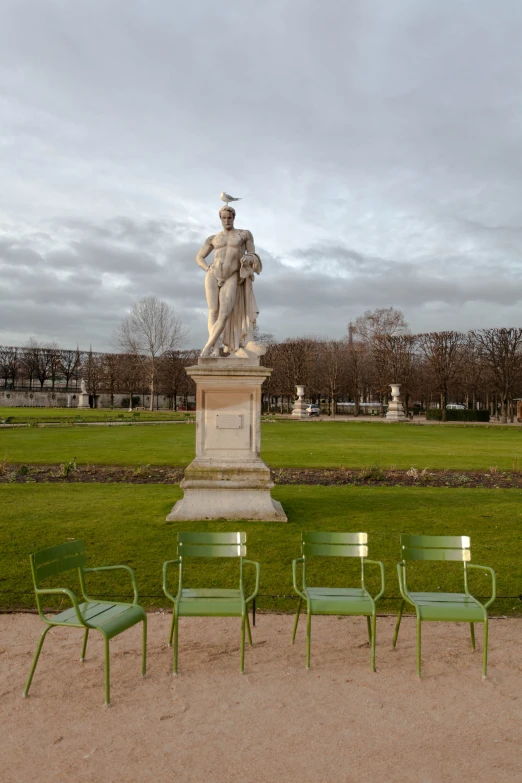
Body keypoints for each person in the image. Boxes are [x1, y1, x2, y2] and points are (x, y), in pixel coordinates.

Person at [196, 206, 265, 358]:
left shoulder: (243, 235)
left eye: (229, 218)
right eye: (223, 218)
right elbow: (199, 257)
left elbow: (253, 254)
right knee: (212, 312)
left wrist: (249, 258)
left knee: (224, 314)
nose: (226, 220)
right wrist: (207, 268)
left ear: (234, 218)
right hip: (213, 274)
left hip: (232, 276)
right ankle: (214, 349)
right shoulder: (213, 238)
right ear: (220, 219)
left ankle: (206, 348)